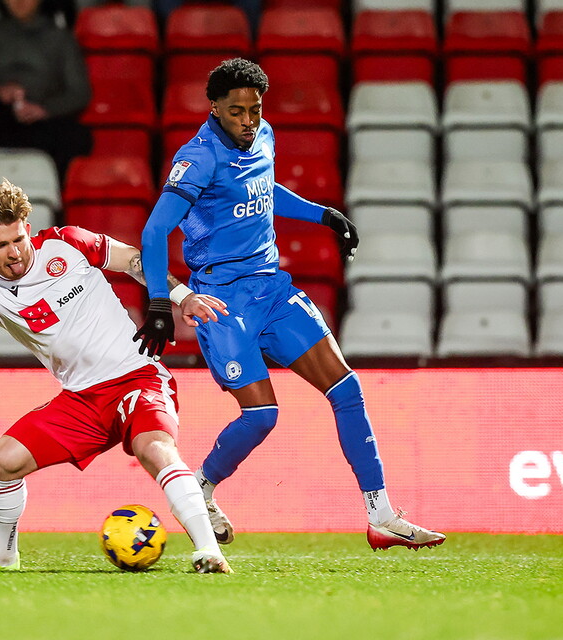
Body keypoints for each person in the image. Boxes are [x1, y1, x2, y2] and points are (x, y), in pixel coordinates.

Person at [135, 58, 446, 551]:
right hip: (221, 298)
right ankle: (201, 487)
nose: (248, 120)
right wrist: (158, 302)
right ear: (213, 107)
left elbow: (264, 189)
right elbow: (154, 231)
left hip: (273, 289)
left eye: (255, 109)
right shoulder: (197, 158)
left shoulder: (264, 136)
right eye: (236, 111)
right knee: (261, 416)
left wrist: (324, 214)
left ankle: (381, 515)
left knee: (347, 388)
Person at [0, 180, 231, 573]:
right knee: (1, 463)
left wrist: (182, 298)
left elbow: (135, 259)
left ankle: (208, 552)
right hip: (81, 399)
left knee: (155, 449)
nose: (14, 253)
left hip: (137, 377)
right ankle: (2, 555)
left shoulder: (68, 243)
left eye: (18, 239)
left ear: (27, 227)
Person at [0, 0, 92, 179]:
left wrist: (45, 109)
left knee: (77, 136)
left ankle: (52, 197)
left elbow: (80, 92)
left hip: (40, 123)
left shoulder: (60, 38)